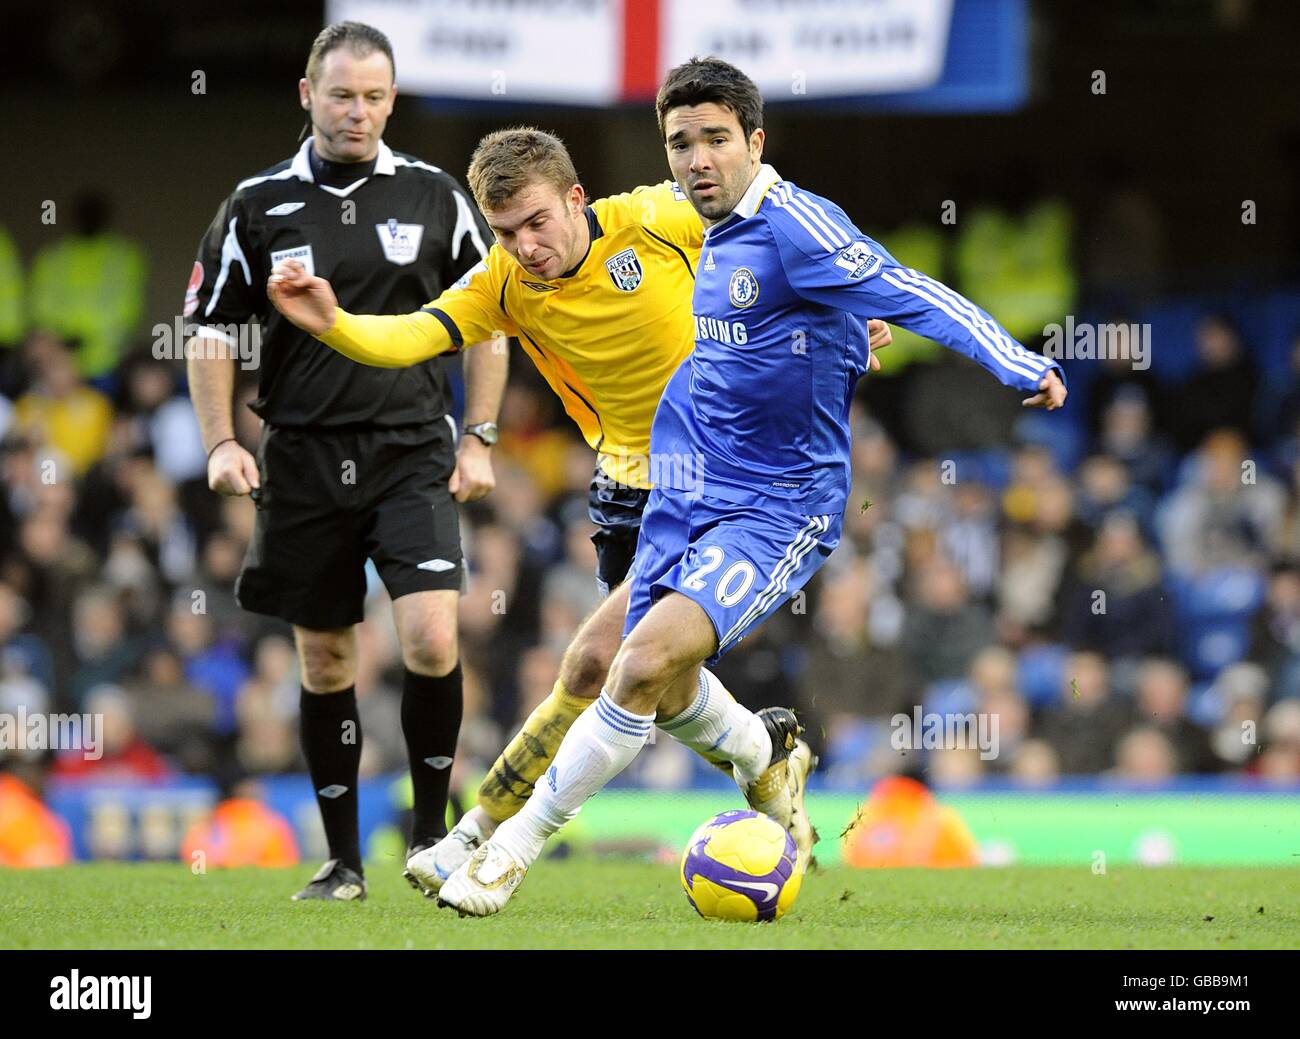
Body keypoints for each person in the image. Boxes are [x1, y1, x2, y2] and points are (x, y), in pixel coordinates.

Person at [434, 55, 1066, 915]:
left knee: (644, 660)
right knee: (605, 660)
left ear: (754, 142)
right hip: (681, 495)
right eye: (679, 142)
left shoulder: (794, 225)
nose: (697, 159)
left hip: (777, 506)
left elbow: (906, 289)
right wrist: (845, 333)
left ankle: (507, 850)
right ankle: (764, 755)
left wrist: (1015, 358)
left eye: (715, 140)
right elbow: (775, 334)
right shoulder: (697, 234)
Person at [186, 21, 506, 902]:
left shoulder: (438, 197)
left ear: (391, 101)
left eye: (373, 96)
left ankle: (433, 836)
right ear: (307, 95)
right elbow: (210, 330)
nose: (357, 112)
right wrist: (219, 440)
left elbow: (493, 322)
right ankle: (342, 862)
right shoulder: (255, 205)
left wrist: (478, 435)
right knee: (327, 662)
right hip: (302, 458)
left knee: (433, 636)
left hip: (411, 453)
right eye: (341, 95)